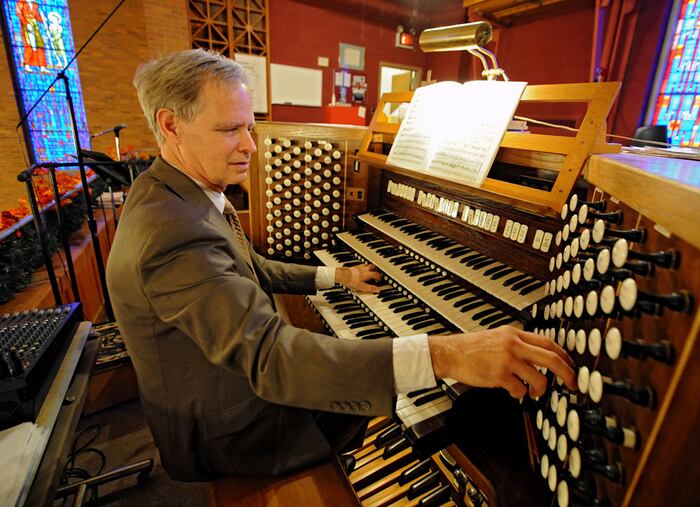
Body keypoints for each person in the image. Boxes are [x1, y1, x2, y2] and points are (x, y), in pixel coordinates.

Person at [106, 49, 576, 482]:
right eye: (230, 130)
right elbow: (272, 359)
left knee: (367, 358)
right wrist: (449, 353)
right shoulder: (174, 231)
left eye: (250, 127)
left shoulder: (172, 195)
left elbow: (250, 268)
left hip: (214, 391)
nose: (250, 146)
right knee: (377, 387)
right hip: (227, 432)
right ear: (171, 125)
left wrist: (337, 276)